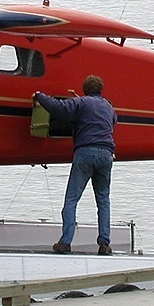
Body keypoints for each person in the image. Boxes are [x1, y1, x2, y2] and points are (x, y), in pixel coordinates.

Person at [33, 75, 117, 255]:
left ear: (85, 89)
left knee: (72, 199)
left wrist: (39, 95)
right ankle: (104, 243)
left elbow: (59, 108)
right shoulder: (108, 107)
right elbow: (114, 121)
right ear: (100, 90)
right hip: (107, 155)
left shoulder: (80, 102)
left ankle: (65, 242)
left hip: (86, 152)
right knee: (103, 201)